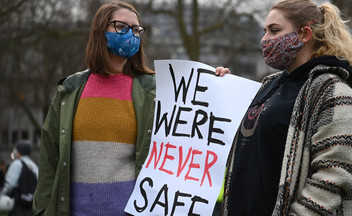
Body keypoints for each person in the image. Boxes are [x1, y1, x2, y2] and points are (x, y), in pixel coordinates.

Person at [33, 2, 228, 216]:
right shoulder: (69, 90)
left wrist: (217, 86)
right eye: (120, 26)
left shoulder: (154, 90)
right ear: (99, 30)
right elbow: (49, 160)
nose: (131, 34)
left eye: (136, 30)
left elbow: (190, 136)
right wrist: (42, 211)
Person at [217, 0, 352, 215]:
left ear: (304, 34)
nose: (264, 40)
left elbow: (334, 176)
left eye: (274, 30)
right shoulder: (268, 87)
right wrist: (220, 90)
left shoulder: (336, 94)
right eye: (264, 31)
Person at [1, 140, 38, 216]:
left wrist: (2, 195)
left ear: (19, 151)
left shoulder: (17, 164)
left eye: (16, 149)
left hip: (19, 205)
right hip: (31, 205)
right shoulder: (34, 166)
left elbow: (10, 184)